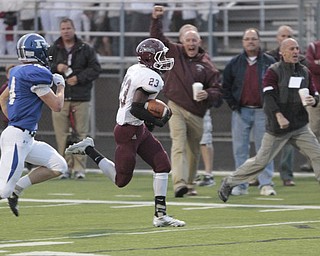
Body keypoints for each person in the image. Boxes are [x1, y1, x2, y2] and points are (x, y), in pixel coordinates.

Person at [65, 38, 185, 228]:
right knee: (120, 180)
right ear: (149, 57)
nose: (164, 59)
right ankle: (89, 149)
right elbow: (137, 107)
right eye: (159, 56)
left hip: (137, 127)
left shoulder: (136, 69)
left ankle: (160, 215)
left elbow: (140, 106)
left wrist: (150, 122)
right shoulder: (151, 78)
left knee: (162, 165)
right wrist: (157, 119)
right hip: (128, 130)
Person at [218, 38, 320, 203]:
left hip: (299, 126)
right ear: (282, 52)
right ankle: (229, 182)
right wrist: (278, 115)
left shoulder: (304, 71)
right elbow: (268, 97)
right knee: (260, 162)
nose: (296, 52)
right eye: (292, 49)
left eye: (297, 48)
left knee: (318, 155)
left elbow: (314, 93)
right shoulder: (273, 71)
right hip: (278, 128)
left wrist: (313, 100)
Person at [151, 5, 223, 197]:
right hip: (175, 106)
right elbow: (157, 40)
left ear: (199, 42)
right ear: (182, 41)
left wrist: (207, 94)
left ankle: (189, 183)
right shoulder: (174, 52)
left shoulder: (207, 64)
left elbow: (217, 89)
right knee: (178, 143)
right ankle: (179, 183)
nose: (191, 43)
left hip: (198, 112)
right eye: (187, 40)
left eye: (194, 40)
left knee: (193, 150)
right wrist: (156, 19)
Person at [0, 33, 68, 216]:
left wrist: (14, 121)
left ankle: (18, 189)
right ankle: (11, 191)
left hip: (24, 137)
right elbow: (57, 105)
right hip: (17, 137)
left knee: (59, 166)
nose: (47, 53)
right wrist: (61, 86)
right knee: (2, 190)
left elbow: (3, 98)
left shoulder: (18, 72)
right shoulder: (35, 73)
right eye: (43, 50)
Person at [223, 28, 276, 196]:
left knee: (265, 149)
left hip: (263, 111)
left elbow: (277, 85)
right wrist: (233, 105)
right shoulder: (234, 63)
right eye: (247, 39)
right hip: (241, 111)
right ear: (243, 42)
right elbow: (226, 87)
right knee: (240, 149)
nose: (251, 41)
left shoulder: (270, 62)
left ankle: (266, 183)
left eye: (254, 38)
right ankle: (241, 184)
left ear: (259, 41)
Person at [48, 18, 101, 180]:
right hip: (59, 97)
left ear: (74, 29)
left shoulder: (85, 48)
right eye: (63, 28)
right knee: (61, 134)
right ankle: (64, 167)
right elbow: (43, 68)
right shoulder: (53, 49)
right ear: (60, 30)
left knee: (81, 134)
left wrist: (79, 78)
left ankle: (79, 168)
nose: (66, 31)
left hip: (81, 96)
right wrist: (57, 67)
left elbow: (95, 69)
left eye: (68, 28)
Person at [266, 25, 307, 186]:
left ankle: (286, 175)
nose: (285, 38)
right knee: (265, 145)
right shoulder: (269, 58)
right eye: (282, 35)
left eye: (288, 36)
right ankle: (262, 175)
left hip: (293, 109)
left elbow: (307, 83)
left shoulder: (302, 62)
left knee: (289, 144)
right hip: (272, 107)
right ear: (278, 39)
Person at [300, 39, 320, 173]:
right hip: (316, 96)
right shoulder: (313, 47)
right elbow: (310, 66)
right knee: (313, 129)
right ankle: (311, 162)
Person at [195, 109, 216, 187]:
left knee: (205, 140)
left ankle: (208, 175)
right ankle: (192, 174)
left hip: (201, 108)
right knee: (185, 142)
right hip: (184, 107)